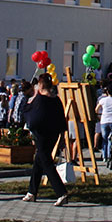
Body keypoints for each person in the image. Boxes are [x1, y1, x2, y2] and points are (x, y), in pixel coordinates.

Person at [20, 73, 69, 206]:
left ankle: (61, 192)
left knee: (46, 162)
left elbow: (30, 114)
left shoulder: (40, 99)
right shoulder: (56, 99)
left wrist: (29, 99)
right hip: (53, 134)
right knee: (39, 161)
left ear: (40, 85)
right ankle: (32, 191)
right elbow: (61, 118)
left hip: (41, 134)